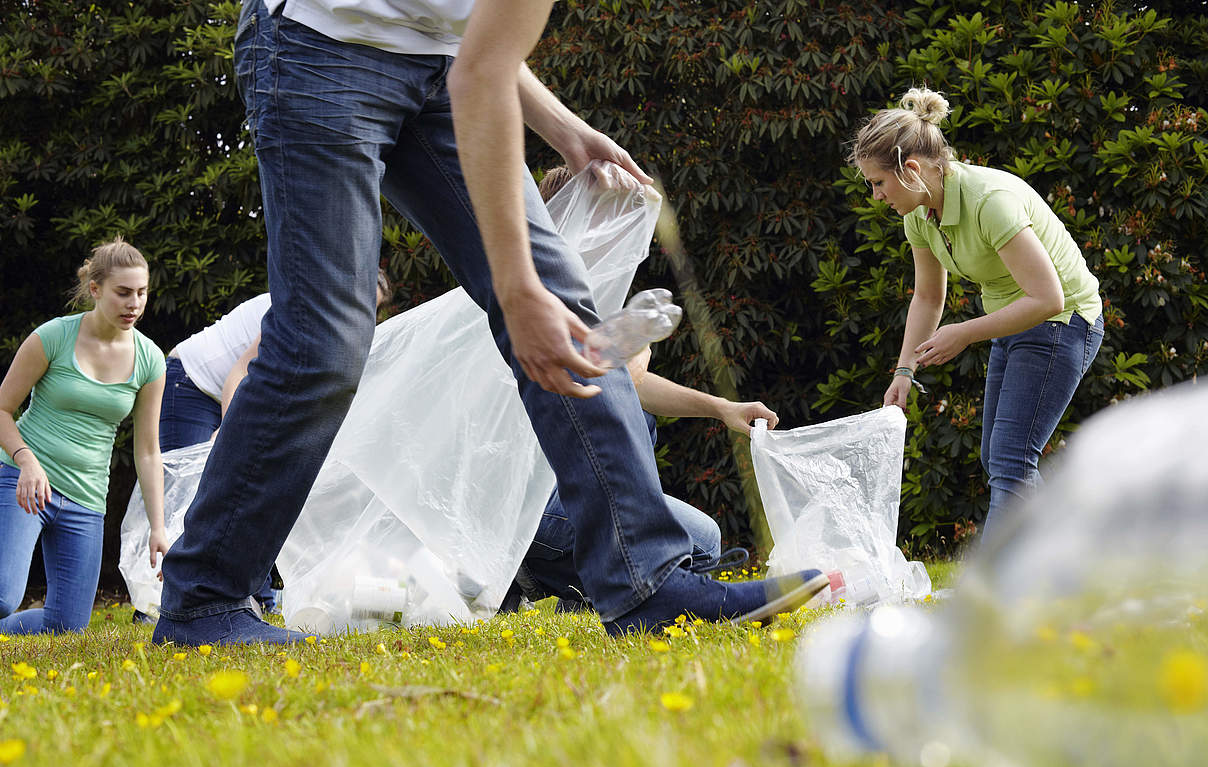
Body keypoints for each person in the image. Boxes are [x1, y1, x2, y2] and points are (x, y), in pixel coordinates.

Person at [152, 0, 827, 647]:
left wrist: (563, 129)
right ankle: (205, 597)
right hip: (317, 47)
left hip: (442, 65)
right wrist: (515, 289)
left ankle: (646, 583)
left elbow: (479, 41)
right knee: (325, 344)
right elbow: (482, 74)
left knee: (567, 310)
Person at [508, 166, 781, 612]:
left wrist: (721, 408)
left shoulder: (590, 291)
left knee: (704, 538)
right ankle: (532, 568)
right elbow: (595, 387)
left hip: (558, 492)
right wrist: (630, 354)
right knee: (695, 543)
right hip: (529, 503)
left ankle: (574, 587)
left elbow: (635, 385)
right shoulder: (535, 297)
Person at [853, 88, 1103, 542]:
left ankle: (997, 592)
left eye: (878, 183)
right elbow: (928, 297)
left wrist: (965, 333)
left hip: (1064, 320)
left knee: (1011, 459)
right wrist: (904, 371)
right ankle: (1070, 558)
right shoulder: (920, 213)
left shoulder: (991, 200)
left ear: (911, 170)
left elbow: (1047, 297)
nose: (875, 196)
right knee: (999, 458)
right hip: (1015, 321)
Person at [138, 269, 393, 623]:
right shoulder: (299, 306)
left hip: (233, 389)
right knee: (189, 495)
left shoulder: (338, 327)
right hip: (191, 381)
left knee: (259, 488)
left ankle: (257, 596)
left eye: (373, 308)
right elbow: (241, 373)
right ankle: (155, 603)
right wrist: (231, 434)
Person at [0, 237, 167, 634]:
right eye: (123, 292)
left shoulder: (150, 359)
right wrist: (26, 460)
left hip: (86, 498)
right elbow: (3, 408)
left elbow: (147, 451)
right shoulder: (53, 337)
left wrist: (158, 527)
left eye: (142, 293)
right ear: (95, 289)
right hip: (24, 482)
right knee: (3, 596)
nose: (134, 303)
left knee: (66, 626)